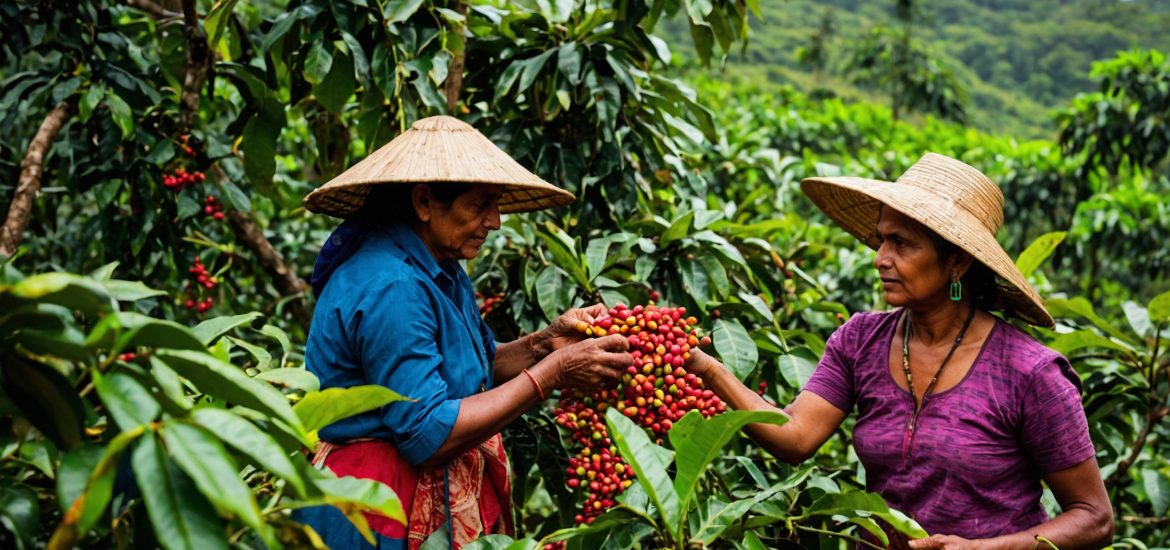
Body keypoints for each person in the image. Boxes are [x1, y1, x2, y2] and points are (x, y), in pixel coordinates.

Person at [687, 153, 1113, 549]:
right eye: (881, 241)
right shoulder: (860, 341)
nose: (880, 259)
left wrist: (984, 549)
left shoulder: (1029, 372)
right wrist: (710, 370)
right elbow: (795, 437)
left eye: (903, 244)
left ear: (958, 263)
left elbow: (1094, 518)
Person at [297, 116, 632, 549]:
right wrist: (554, 372)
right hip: (377, 504)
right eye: (480, 205)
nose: (494, 221)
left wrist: (545, 342)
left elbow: (476, 364)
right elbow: (426, 434)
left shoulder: (441, 267)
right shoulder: (393, 286)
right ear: (423, 202)